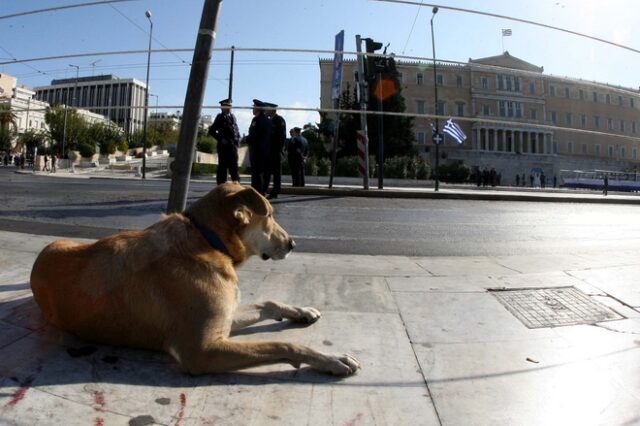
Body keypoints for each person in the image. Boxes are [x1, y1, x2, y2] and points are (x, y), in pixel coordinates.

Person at [208, 98, 240, 185]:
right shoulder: (220, 117)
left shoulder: (233, 117)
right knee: (223, 168)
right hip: (224, 148)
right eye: (227, 106)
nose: (229, 108)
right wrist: (220, 139)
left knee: (234, 168)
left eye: (230, 106)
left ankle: (237, 187)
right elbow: (212, 131)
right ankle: (221, 187)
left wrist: (238, 141)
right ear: (222, 107)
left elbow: (236, 130)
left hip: (233, 147)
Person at [246, 99, 272, 194]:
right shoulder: (268, 120)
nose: (252, 109)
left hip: (257, 151)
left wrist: (246, 139)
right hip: (266, 151)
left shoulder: (256, 120)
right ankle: (262, 192)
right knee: (263, 173)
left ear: (257, 108)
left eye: (254, 107)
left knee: (256, 174)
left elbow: (253, 135)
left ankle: (256, 194)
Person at [263, 102, 286, 199]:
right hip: (268, 151)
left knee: (276, 173)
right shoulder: (268, 120)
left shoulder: (279, 120)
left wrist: (278, 149)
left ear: (272, 110)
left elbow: (282, 137)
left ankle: (275, 191)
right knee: (267, 172)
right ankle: (264, 190)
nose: (265, 111)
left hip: (275, 151)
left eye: (267, 109)